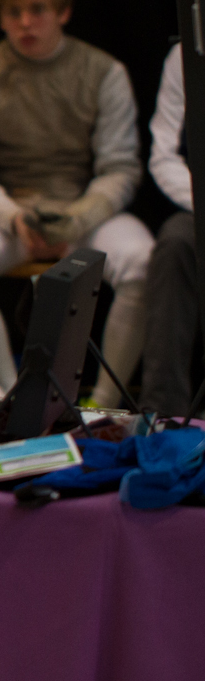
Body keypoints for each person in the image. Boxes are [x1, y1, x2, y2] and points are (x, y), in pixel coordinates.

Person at [0, 0, 150, 400]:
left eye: (38, 9)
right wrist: (13, 218)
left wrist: (78, 219)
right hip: (12, 215)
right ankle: (15, 395)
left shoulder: (104, 72)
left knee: (144, 263)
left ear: (63, 12)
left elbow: (120, 167)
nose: (26, 23)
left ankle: (105, 403)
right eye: (14, 12)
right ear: (0, 17)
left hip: (82, 211)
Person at [141, 43, 201, 415]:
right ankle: (163, 414)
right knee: (176, 242)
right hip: (199, 206)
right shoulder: (187, 54)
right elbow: (165, 155)